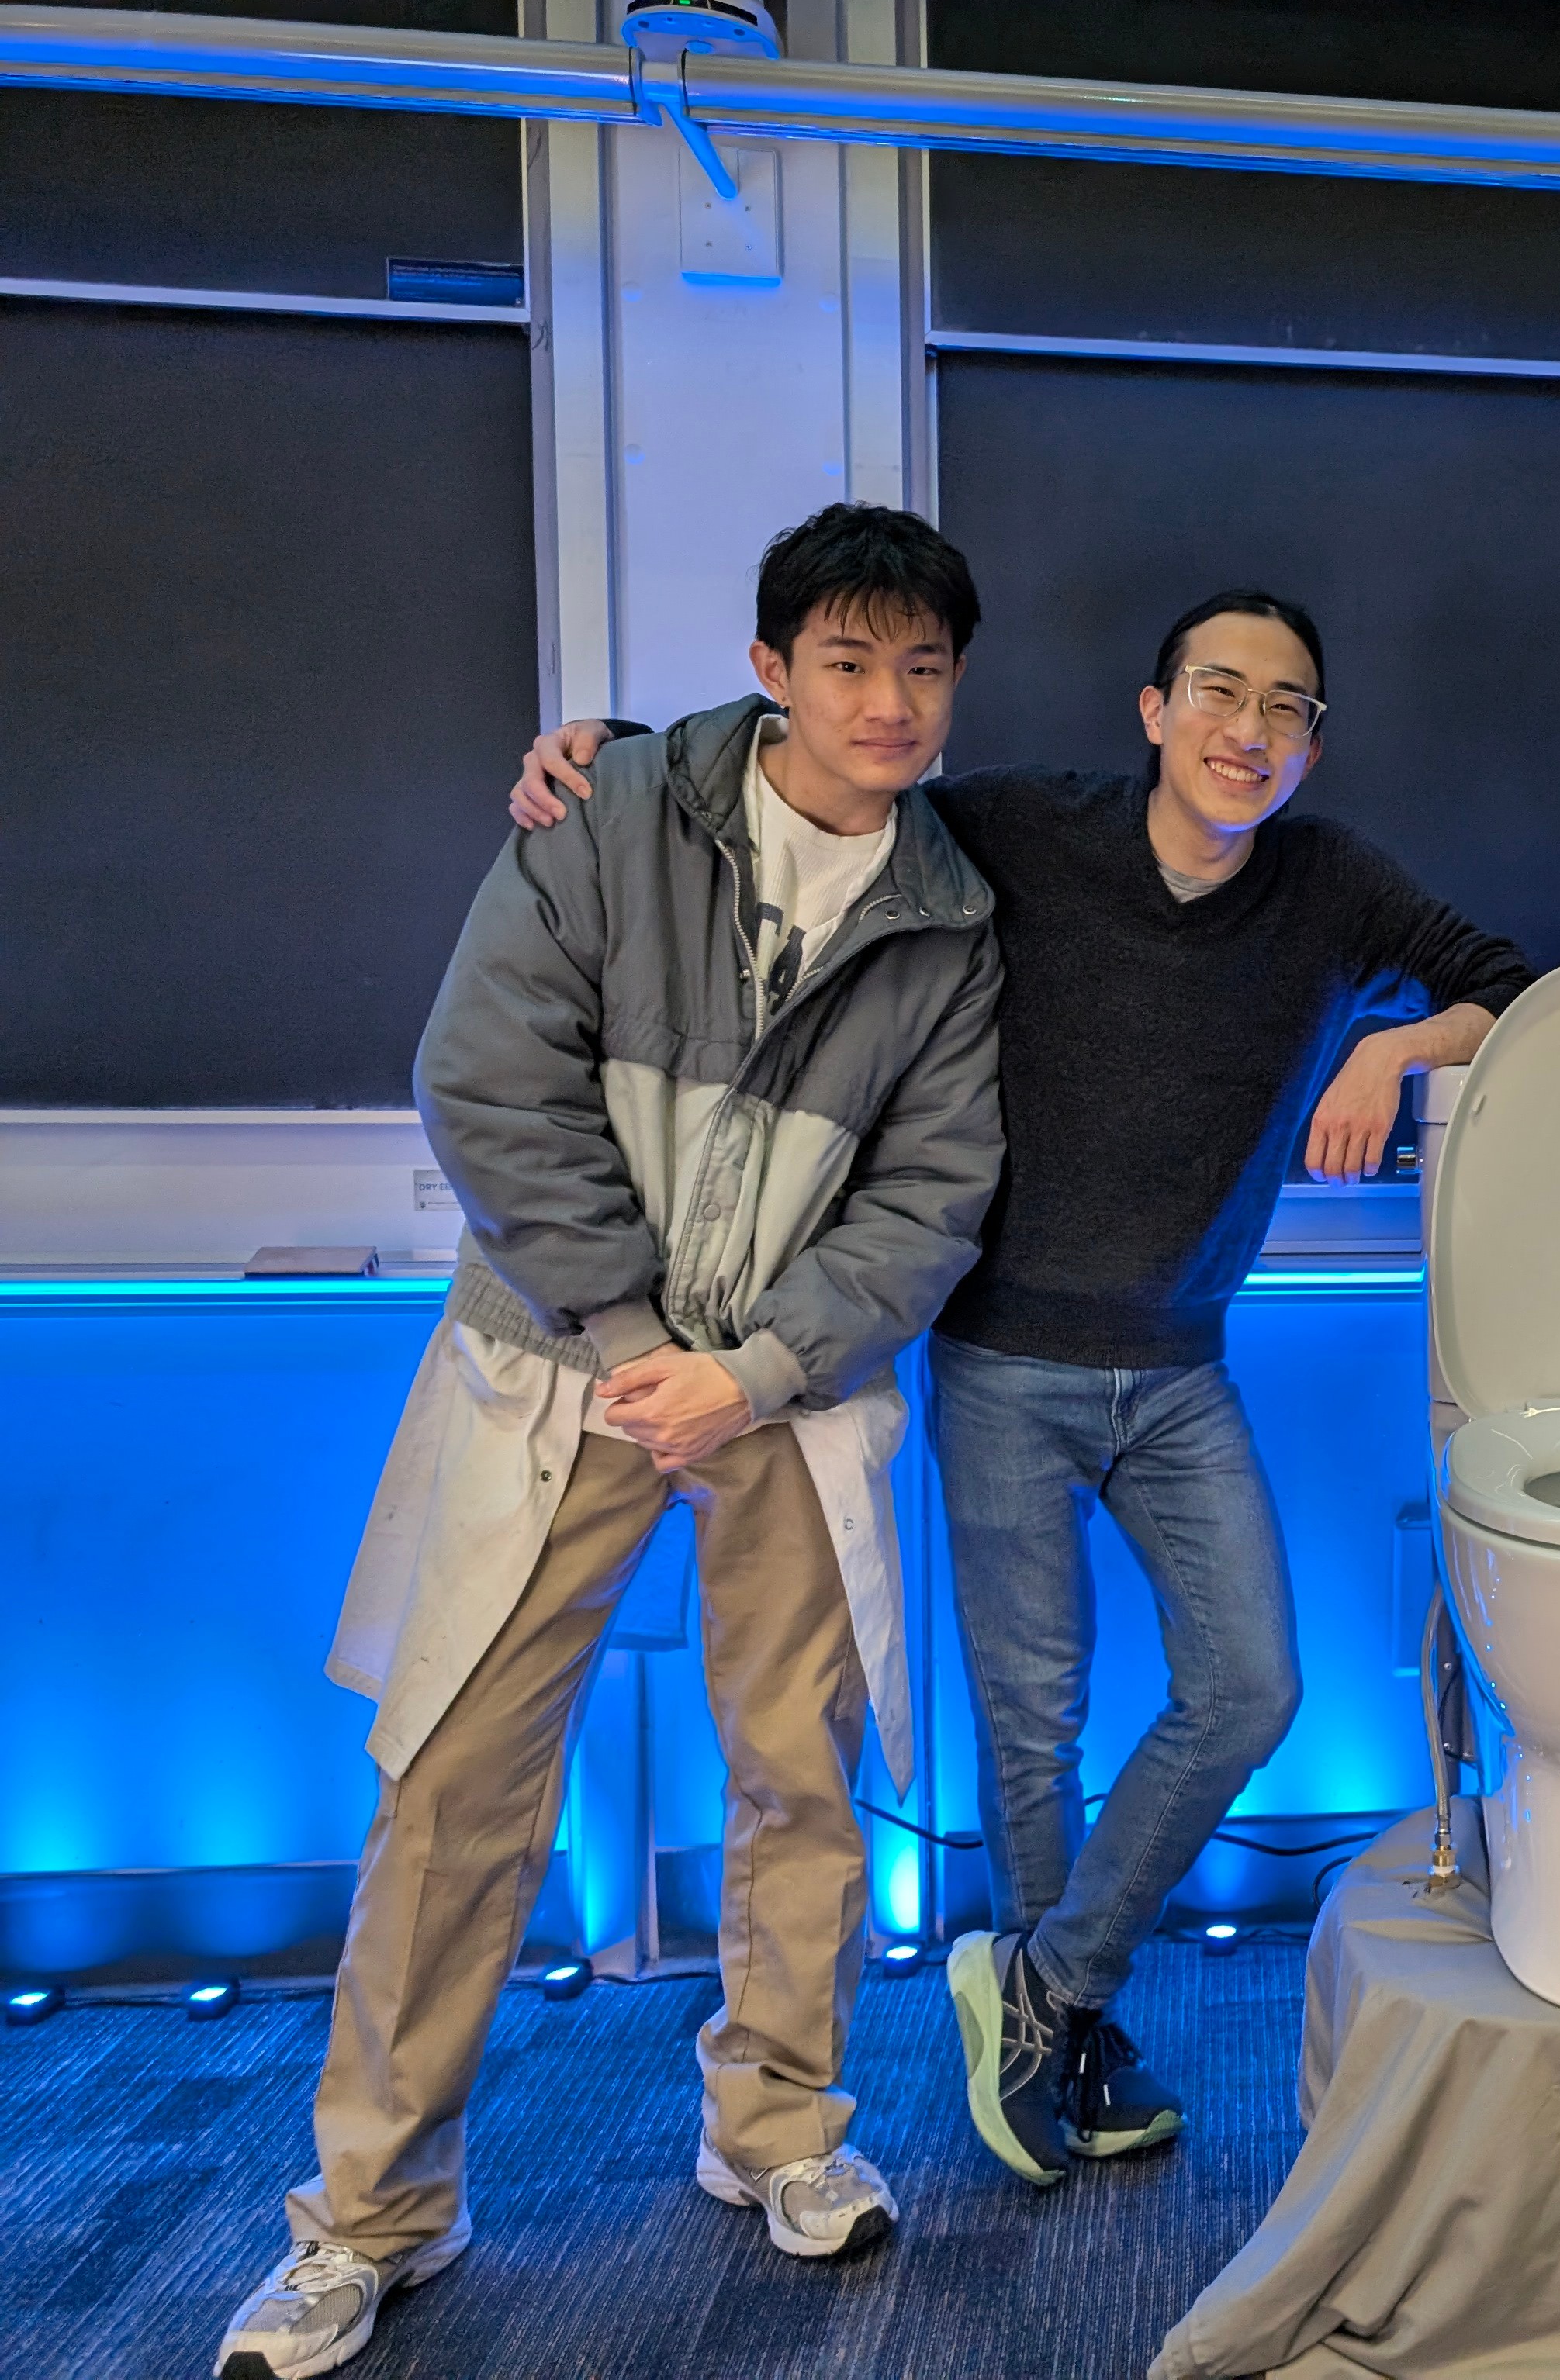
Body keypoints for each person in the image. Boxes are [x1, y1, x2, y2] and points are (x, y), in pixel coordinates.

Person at [508, 589, 1534, 2194]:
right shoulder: (1022, 831)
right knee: (1033, 1727)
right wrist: (614, 755)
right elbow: (823, 801)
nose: (1247, 730)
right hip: (1000, 1356)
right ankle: (1071, 2027)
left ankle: (1053, 1985)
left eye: (1287, 708)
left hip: (1184, 1369)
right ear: (1152, 709)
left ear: (1309, 739)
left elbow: (1505, 985)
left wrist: (1394, 1051)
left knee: (1249, 1688)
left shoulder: (1329, 884)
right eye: (1217, 692)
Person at [219, 505, 1005, 2379]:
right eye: (846, 661)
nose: (887, 702)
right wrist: (646, 1340)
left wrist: (757, 1368)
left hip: (784, 1400)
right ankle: (372, 2216)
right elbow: (487, 1076)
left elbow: (938, 1188)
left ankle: (781, 2132)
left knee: (800, 1783)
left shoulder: (957, 914)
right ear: (769, 668)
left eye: (923, 667)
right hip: (565, 1369)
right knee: (455, 1787)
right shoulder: (605, 816)